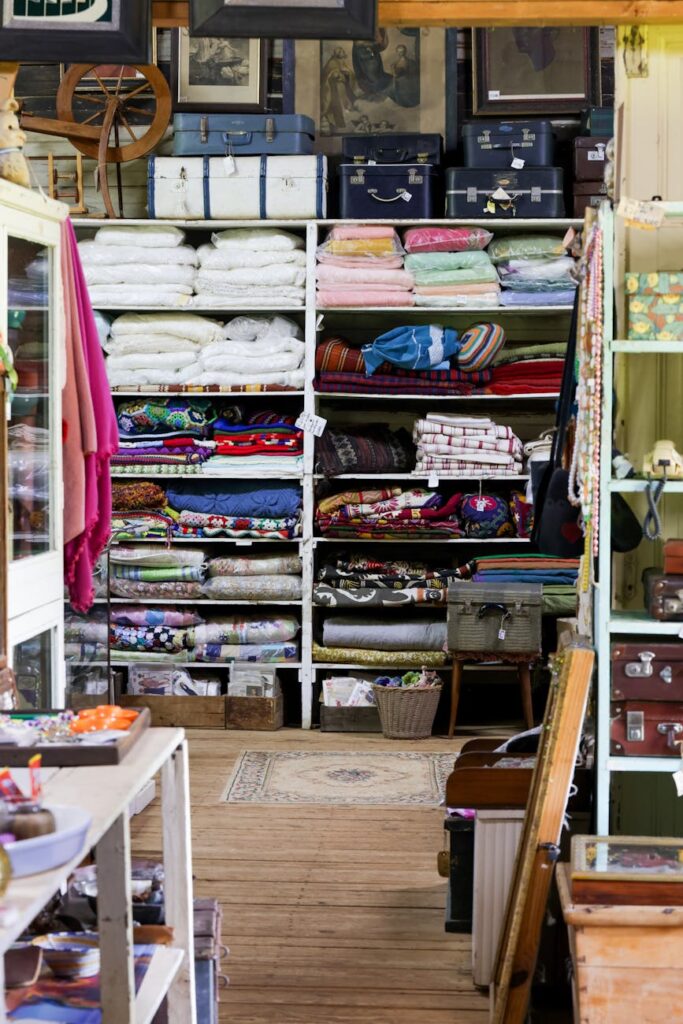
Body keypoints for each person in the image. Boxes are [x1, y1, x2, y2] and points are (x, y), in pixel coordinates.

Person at [320, 46, 357, 132]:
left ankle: (345, 118)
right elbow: (328, 75)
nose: (342, 55)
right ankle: (339, 122)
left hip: (342, 88)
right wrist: (336, 75)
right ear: (337, 54)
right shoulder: (331, 63)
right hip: (334, 88)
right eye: (341, 53)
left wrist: (348, 74)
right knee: (338, 105)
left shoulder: (341, 62)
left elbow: (349, 72)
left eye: (343, 53)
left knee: (345, 103)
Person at [389, 43, 419, 108]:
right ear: (397, 52)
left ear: (405, 51)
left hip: (409, 85)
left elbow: (414, 75)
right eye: (399, 51)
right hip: (399, 85)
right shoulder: (394, 64)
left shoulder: (411, 62)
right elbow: (394, 76)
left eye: (402, 51)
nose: (401, 53)